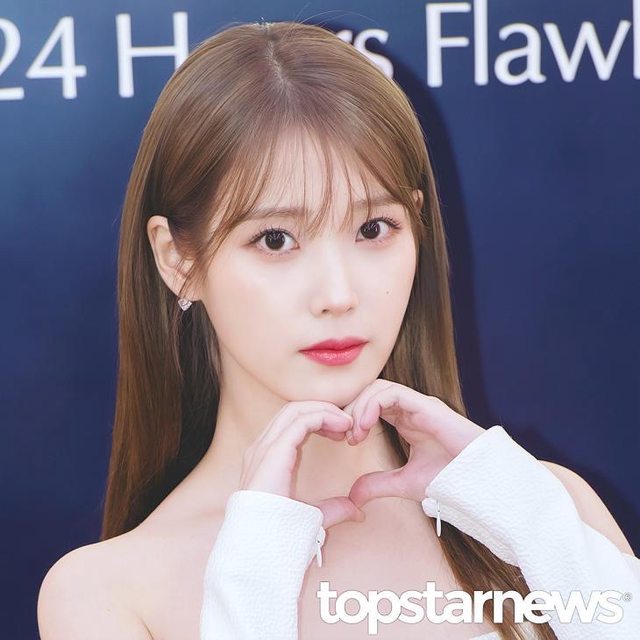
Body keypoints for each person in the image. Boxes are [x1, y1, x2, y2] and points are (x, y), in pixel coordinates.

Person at [37, 20, 639, 640]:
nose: (338, 295)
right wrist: (254, 578)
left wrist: (534, 519)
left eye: (374, 229)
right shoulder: (107, 594)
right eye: (276, 239)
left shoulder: (546, 510)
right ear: (177, 260)